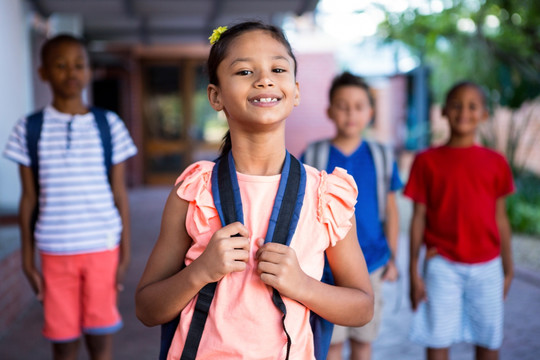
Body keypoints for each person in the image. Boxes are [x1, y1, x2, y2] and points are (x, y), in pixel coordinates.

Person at [135, 21, 374, 360]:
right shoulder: (194, 191)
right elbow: (146, 308)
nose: (264, 79)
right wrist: (200, 272)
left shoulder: (324, 196)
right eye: (245, 71)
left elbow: (362, 307)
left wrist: (303, 285)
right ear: (215, 96)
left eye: (278, 68)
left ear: (295, 90)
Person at [3, 34, 137, 360]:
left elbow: (119, 192)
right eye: (60, 65)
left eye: (79, 64)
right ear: (43, 73)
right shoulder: (28, 129)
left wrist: (126, 252)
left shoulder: (110, 125)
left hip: (102, 246)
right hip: (54, 250)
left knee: (100, 340)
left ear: (89, 71)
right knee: (63, 343)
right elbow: (28, 199)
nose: (71, 72)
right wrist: (26, 259)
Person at [404, 81, 514, 360]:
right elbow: (418, 219)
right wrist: (414, 272)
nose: (463, 111)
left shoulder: (496, 162)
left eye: (472, 106)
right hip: (441, 265)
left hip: (488, 266)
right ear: (443, 111)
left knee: (488, 339)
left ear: (484, 114)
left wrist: (509, 268)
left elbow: (501, 218)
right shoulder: (426, 161)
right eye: (456, 104)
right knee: (437, 337)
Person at [301, 72, 403, 360]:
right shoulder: (313, 155)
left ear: (370, 112)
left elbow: (391, 211)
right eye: (342, 105)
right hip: (326, 268)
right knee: (331, 343)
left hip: (372, 263)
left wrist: (393, 259)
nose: (351, 113)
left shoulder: (381, 155)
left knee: (363, 341)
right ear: (330, 111)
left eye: (359, 106)